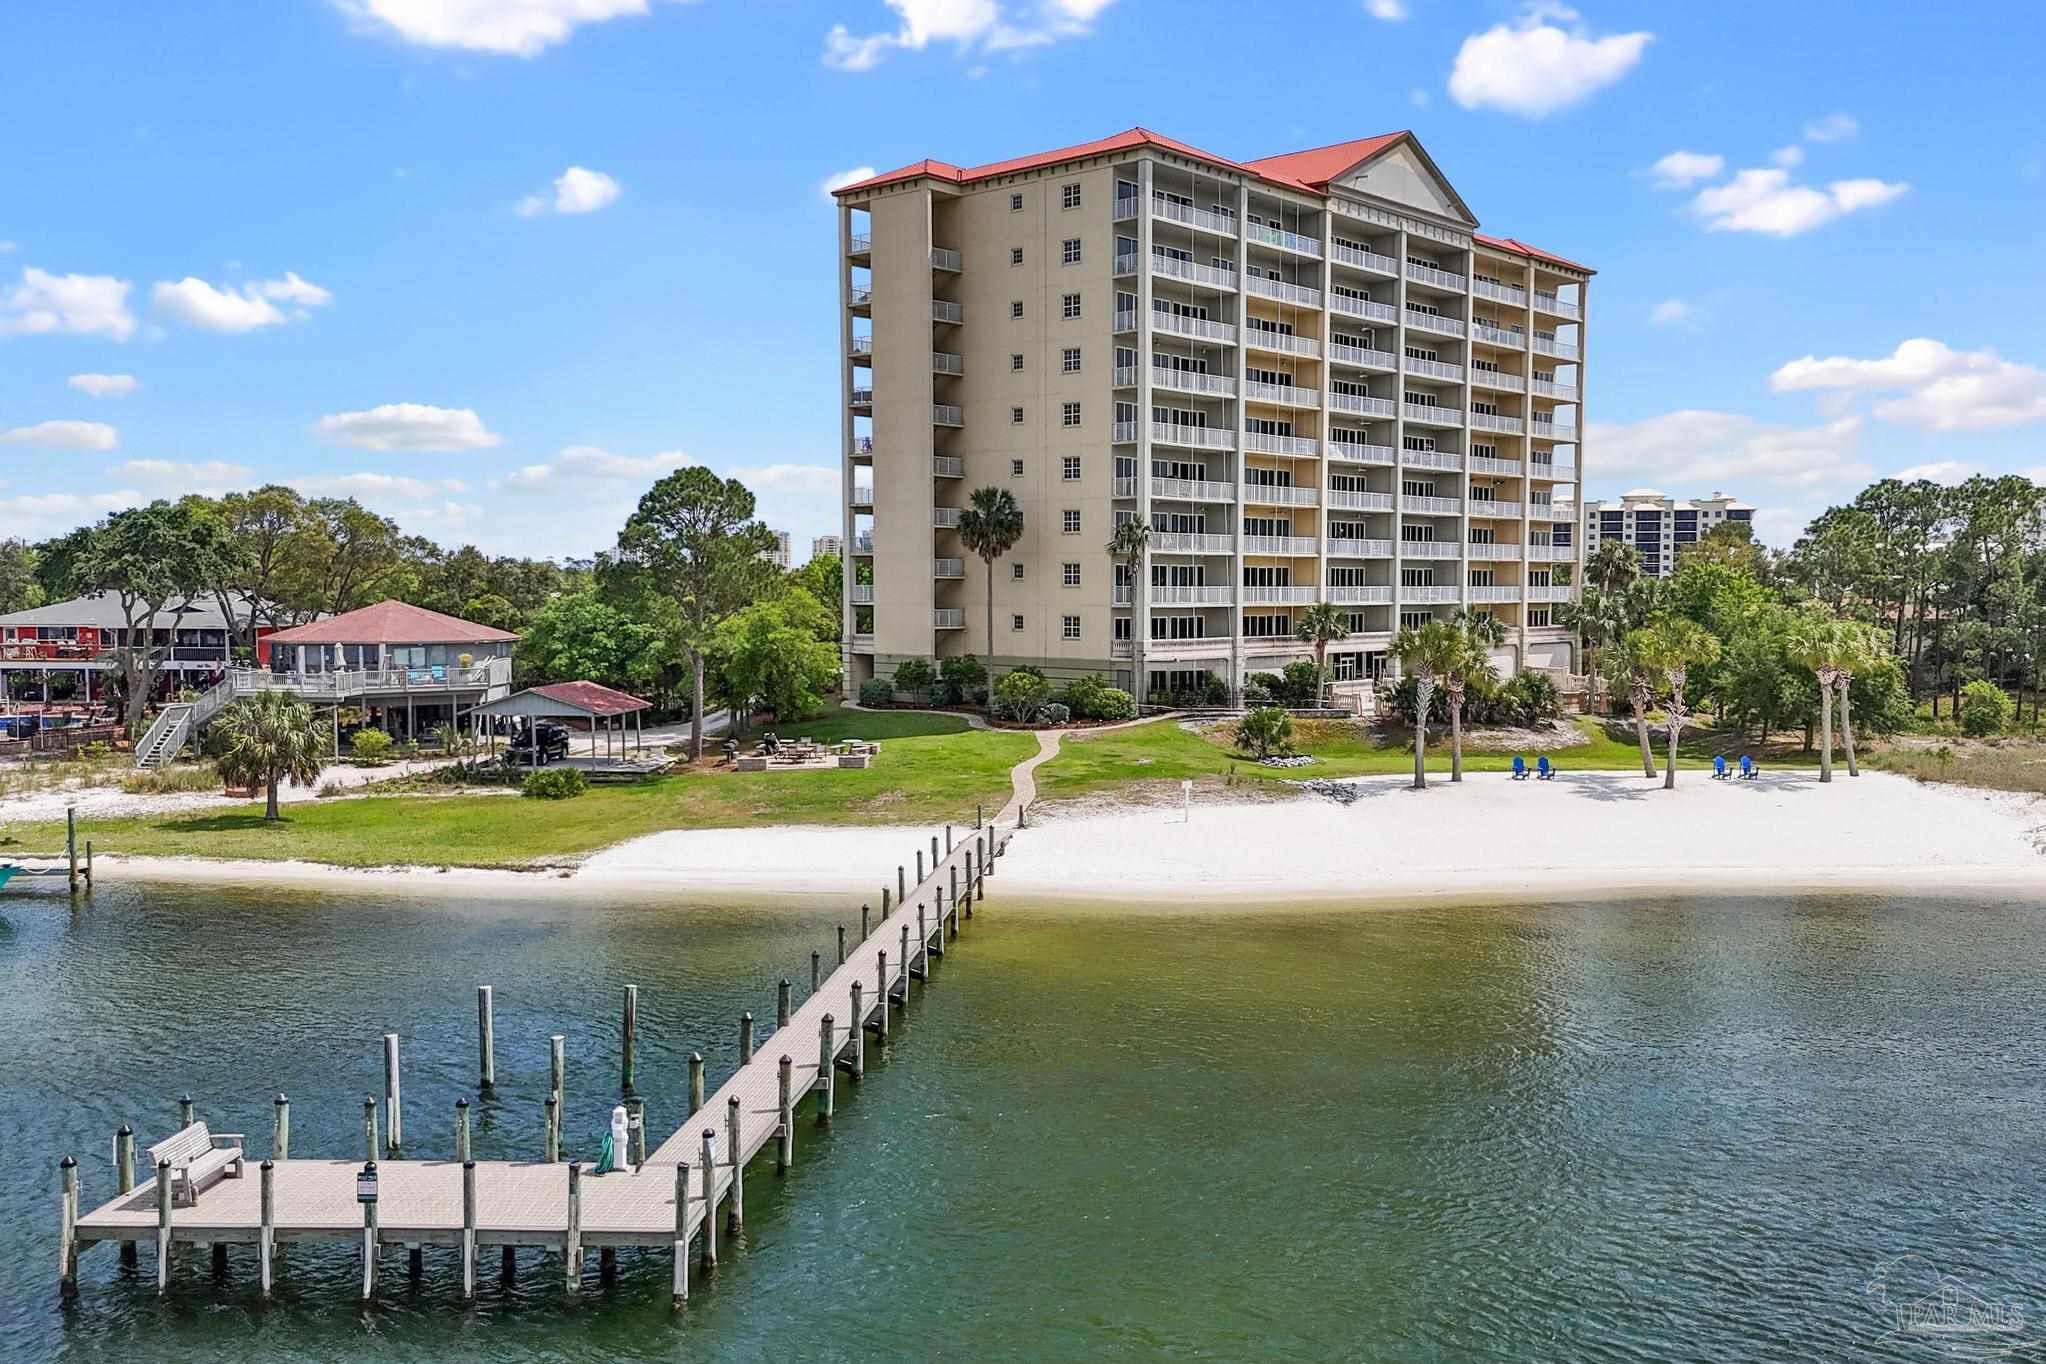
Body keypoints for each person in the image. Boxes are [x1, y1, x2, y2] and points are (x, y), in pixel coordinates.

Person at [596, 1103, 627, 1174]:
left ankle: (618, 1165)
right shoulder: (616, 1121)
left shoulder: (621, 1120)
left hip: (622, 1135)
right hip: (617, 1135)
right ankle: (616, 1165)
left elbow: (623, 1127)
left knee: (621, 1149)